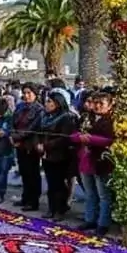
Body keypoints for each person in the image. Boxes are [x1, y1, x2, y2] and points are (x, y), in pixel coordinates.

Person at [71, 93, 117, 236]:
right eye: (95, 102)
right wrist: (80, 137)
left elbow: (111, 140)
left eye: (101, 103)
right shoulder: (87, 117)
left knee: (104, 195)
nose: (97, 106)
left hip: (102, 161)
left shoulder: (112, 120)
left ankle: (103, 223)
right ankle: (90, 219)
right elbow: (73, 134)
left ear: (110, 105)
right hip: (86, 160)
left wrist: (90, 139)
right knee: (90, 193)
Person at [39, 90, 77, 220]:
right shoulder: (46, 117)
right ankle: (51, 208)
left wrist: (47, 145)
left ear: (57, 104)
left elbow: (64, 138)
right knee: (51, 183)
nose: (46, 104)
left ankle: (60, 209)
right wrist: (39, 144)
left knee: (59, 184)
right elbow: (40, 133)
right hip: (46, 155)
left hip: (60, 155)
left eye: (49, 102)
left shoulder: (66, 117)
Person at [11, 83, 44, 211]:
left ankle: (33, 200)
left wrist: (18, 138)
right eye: (24, 93)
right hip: (19, 144)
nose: (26, 95)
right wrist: (13, 137)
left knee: (32, 173)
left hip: (30, 145)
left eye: (29, 93)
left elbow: (32, 128)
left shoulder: (39, 109)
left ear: (35, 94)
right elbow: (13, 122)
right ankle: (25, 197)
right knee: (23, 172)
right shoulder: (20, 107)